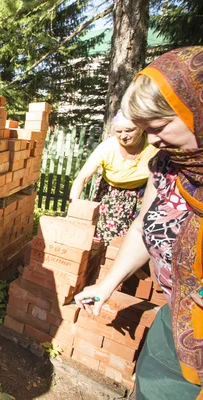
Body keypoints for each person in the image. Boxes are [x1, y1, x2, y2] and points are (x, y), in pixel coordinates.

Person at [75, 46, 203, 399]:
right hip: (176, 323)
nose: (154, 140)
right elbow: (142, 227)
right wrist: (105, 286)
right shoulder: (167, 166)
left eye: (159, 126)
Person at [69, 111, 158, 243]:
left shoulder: (154, 147)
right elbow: (82, 178)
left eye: (129, 130)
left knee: (137, 238)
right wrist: (73, 206)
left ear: (141, 127)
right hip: (111, 195)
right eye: (118, 131)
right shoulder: (107, 148)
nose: (123, 136)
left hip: (143, 194)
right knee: (103, 237)